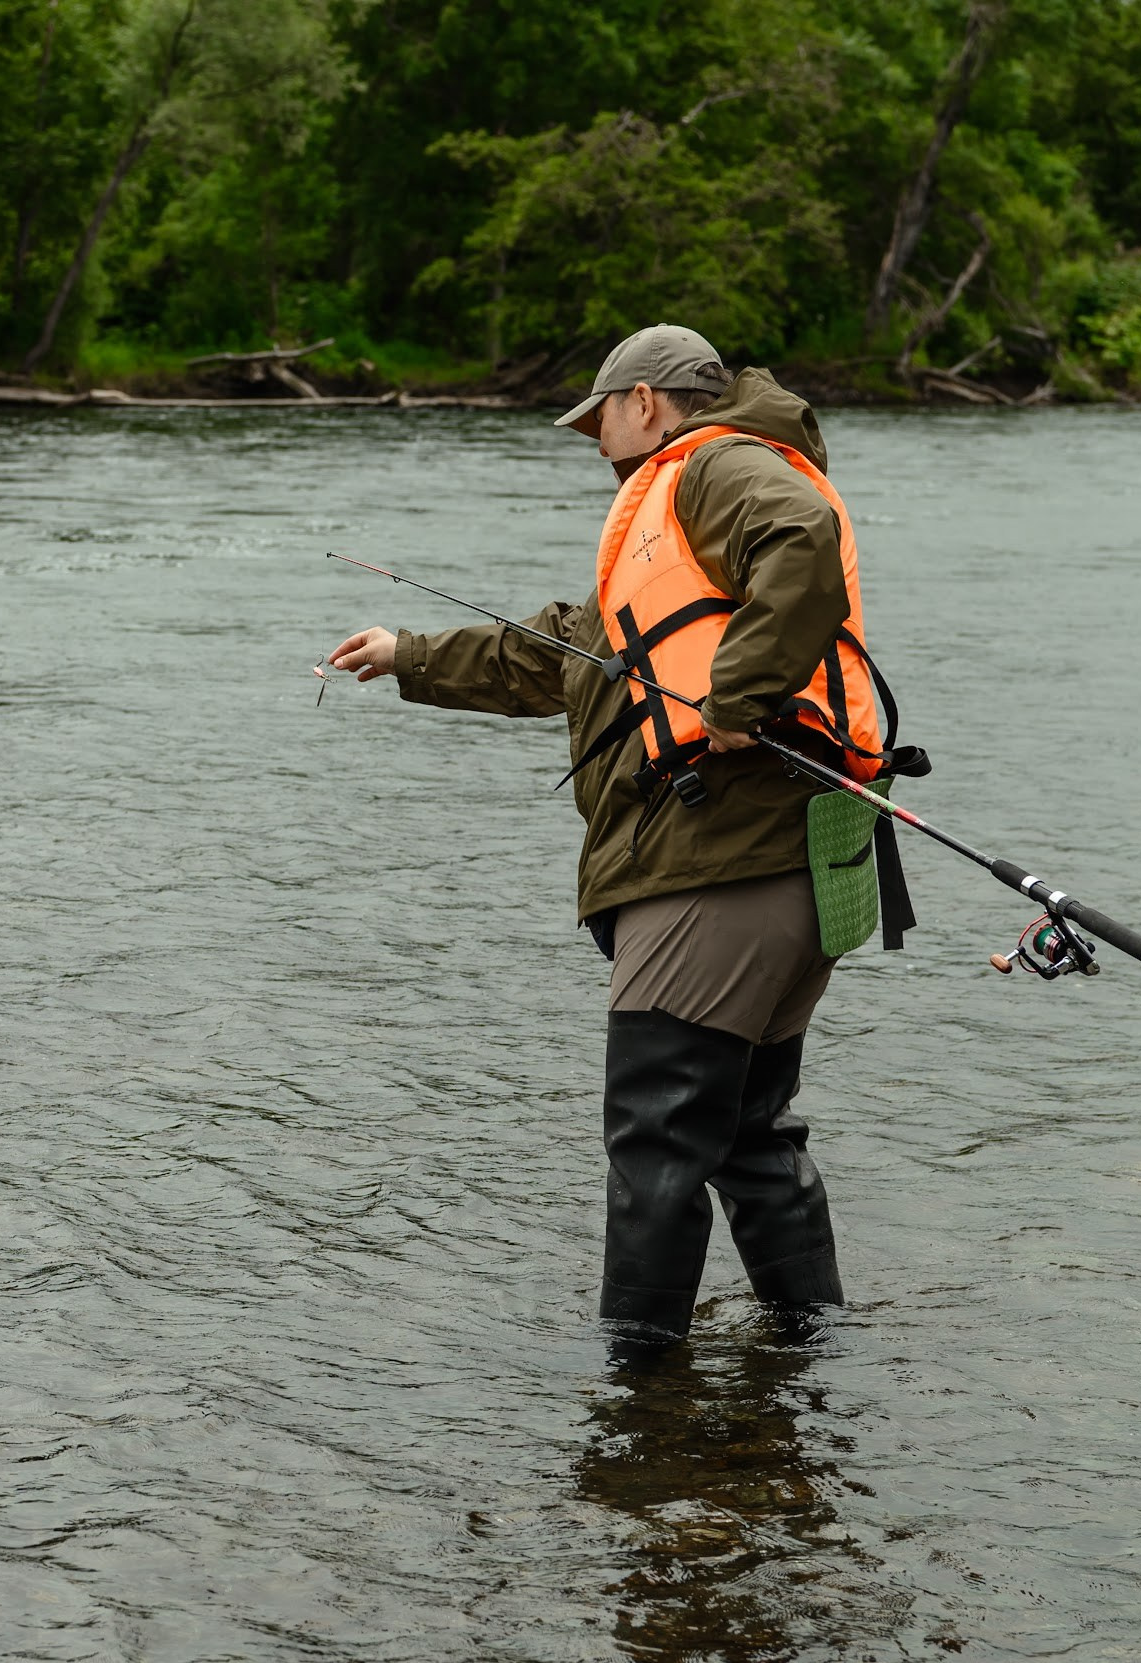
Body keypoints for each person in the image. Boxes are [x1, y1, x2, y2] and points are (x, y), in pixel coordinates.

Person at [326, 323, 907, 1347]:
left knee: (657, 1143)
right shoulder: (673, 530)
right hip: (788, 865)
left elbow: (802, 540)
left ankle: (638, 1402)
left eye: (599, 417)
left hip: (715, 867)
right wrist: (406, 653)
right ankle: (810, 1359)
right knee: (744, 1136)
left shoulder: (714, 466)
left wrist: (737, 695)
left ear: (645, 400)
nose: (595, 439)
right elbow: (553, 655)